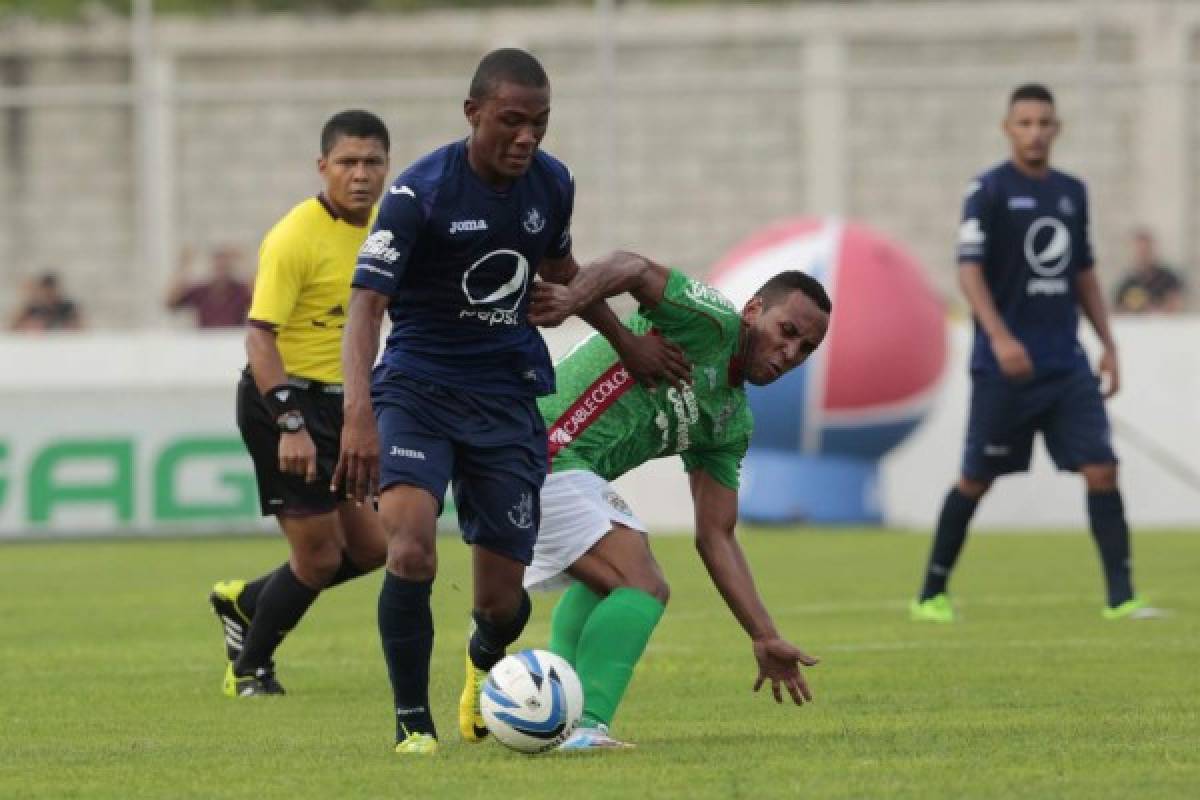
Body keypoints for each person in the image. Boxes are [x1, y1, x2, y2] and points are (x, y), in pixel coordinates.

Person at [334, 48, 690, 756]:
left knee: (501, 602)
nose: (527, 136)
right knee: (410, 550)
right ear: (474, 115)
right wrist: (358, 411)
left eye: (540, 122)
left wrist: (624, 341)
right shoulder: (419, 195)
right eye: (512, 121)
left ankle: (482, 656)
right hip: (418, 391)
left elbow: (562, 275)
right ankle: (413, 725)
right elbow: (365, 305)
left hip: (507, 400)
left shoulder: (552, 185)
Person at [518, 252, 831, 749]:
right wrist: (574, 298)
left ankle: (544, 707)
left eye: (806, 348)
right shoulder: (710, 323)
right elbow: (632, 267)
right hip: (535, 443)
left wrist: (763, 633)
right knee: (641, 583)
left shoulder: (730, 420)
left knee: (609, 582)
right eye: (787, 330)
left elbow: (717, 534)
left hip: (552, 463)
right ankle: (586, 725)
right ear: (753, 311)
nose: (790, 352)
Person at [910, 84, 1162, 624]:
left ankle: (1122, 598)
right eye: (1024, 122)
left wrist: (1109, 344)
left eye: (1044, 122)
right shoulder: (989, 190)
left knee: (1101, 468)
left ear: (1057, 128)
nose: (1035, 132)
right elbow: (968, 270)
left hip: (1065, 364)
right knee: (976, 478)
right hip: (1004, 367)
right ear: (1008, 128)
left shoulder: (1072, 193)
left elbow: (1085, 274)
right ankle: (931, 593)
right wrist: (999, 337)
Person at [207, 110, 392, 698]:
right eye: (347, 162)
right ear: (323, 167)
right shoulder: (294, 237)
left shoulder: (388, 229)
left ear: (387, 168)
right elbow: (259, 335)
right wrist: (290, 422)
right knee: (315, 559)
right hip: (283, 402)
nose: (359, 174)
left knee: (373, 549)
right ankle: (249, 671)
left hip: (346, 406)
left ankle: (244, 604)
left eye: (371, 162)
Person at [166, 245, 253, 327]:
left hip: (232, 340)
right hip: (206, 340)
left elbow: (258, 298)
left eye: (225, 264)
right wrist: (184, 267)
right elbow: (171, 302)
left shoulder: (240, 290)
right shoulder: (201, 291)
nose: (221, 267)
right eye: (218, 263)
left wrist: (245, 261)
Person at [1113, 228, 1186, 314]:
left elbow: (1177, 304)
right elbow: (1118, 310)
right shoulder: (1127, 282)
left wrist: (1156, 311)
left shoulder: (1168, 278)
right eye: (1139, 251)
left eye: (1146, 250)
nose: (1143, 255)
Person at [9, 272, 83, 332]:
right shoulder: (33, 308)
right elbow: (12, 328)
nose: (49, 294)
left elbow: (82, 327)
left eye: (52, 290)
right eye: (46, 291)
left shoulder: (67, 307)